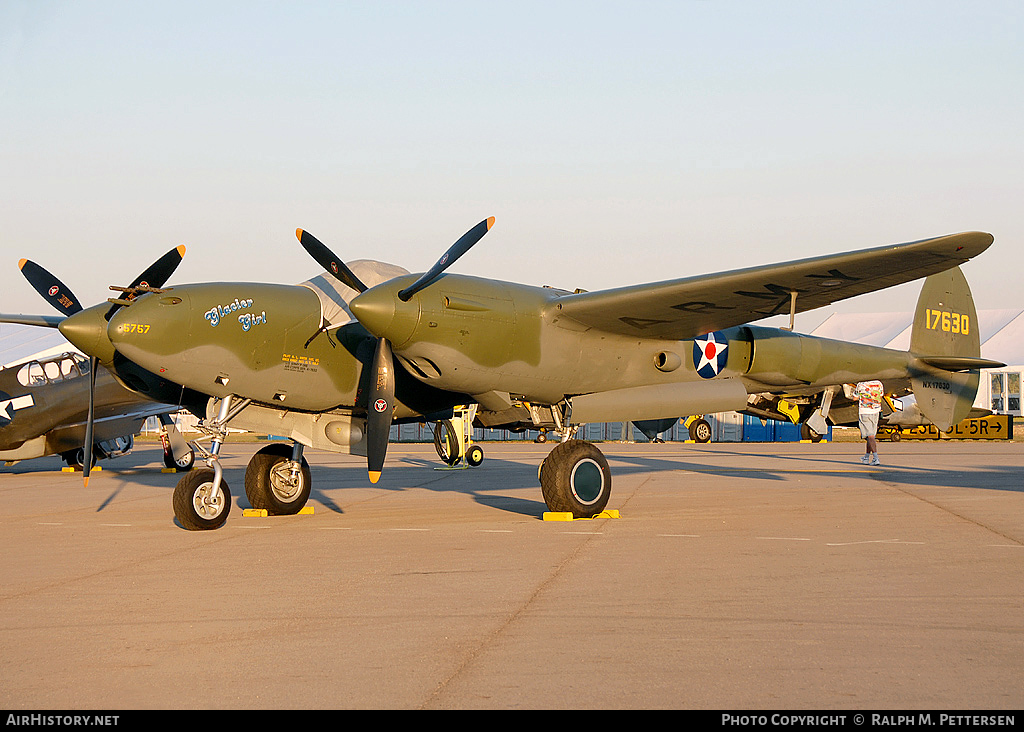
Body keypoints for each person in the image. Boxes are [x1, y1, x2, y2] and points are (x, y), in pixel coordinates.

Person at [846, 380, 883, 465]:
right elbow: (880, 395)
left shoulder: (861, 384)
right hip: (876, 411)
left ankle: (875, 457)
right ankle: (866, 457)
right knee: (871, 436)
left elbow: (855, 398)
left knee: (870, 436)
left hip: (865, 411)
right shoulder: (879, 383)